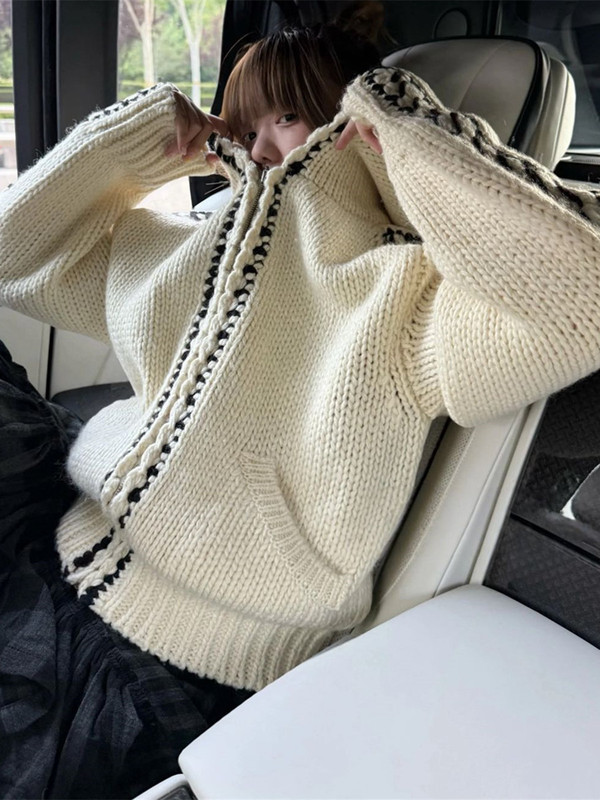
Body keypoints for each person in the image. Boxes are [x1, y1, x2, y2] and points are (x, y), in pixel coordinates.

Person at [1, 21, 600, 799]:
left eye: (285, 116)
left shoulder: (405, 294)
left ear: (350, 121)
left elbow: (580, 304)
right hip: (54, 554)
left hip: (168, 667)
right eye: (241, 124)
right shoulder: (181, 246)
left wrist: (411, 132)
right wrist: (130, 144)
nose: (256, 148)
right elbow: (13, 260)